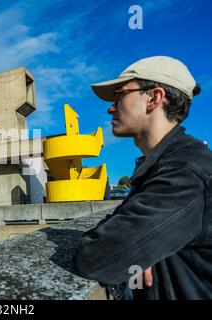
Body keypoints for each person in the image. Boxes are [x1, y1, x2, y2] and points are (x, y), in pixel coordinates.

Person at [74, 56, 212, 300]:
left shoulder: (184, 171)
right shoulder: (165, 164)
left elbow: (95, 255)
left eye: (120, 96)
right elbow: (123, 230)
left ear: (154, 98)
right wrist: (144, 248)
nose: (110, 107)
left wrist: (131, 249)